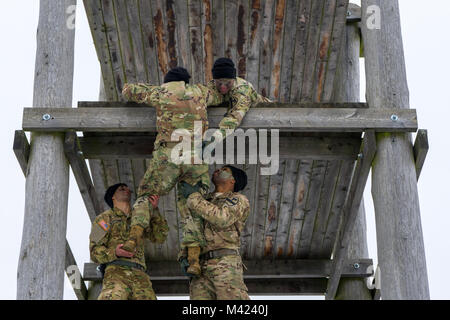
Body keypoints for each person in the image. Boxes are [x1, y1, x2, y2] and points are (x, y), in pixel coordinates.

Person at [121, 67, 224, 276]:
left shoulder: (160, 92)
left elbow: (128, 91)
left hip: (169, 153)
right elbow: (219, 96)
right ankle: (193, 259)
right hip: (195, 157)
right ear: (187, 81)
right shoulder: (201, 92)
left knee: (147, 195)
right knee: (192, 205)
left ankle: (134, 236)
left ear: (168, 80)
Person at [179, 165, 250, 300]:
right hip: (200, 268)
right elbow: (191, 228)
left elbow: (222, 218)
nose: (218, 170)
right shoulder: (203, 200)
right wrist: (184, 255)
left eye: (225, 170)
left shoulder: (238, 199)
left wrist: (193, 196)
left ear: (233, 180)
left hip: (224, 263)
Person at [89, 183, 168, 300]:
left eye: (128, 189)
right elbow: (94, 251)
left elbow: (160, 237)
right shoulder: (104, 219)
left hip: (140, 276)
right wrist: (115, 252)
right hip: (116, 273)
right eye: (121, 189)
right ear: (113, 197)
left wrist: (154, 210)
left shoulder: (140, 218)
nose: (127, 190)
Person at [207, 57, 271, 143]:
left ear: (233, 79)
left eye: (227, 83)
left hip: (266, 111)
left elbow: (234, 116)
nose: (223, 86)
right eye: (219, 83)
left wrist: (213, 139)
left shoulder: (242, 90)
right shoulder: (212, 86)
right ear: (214, 80)